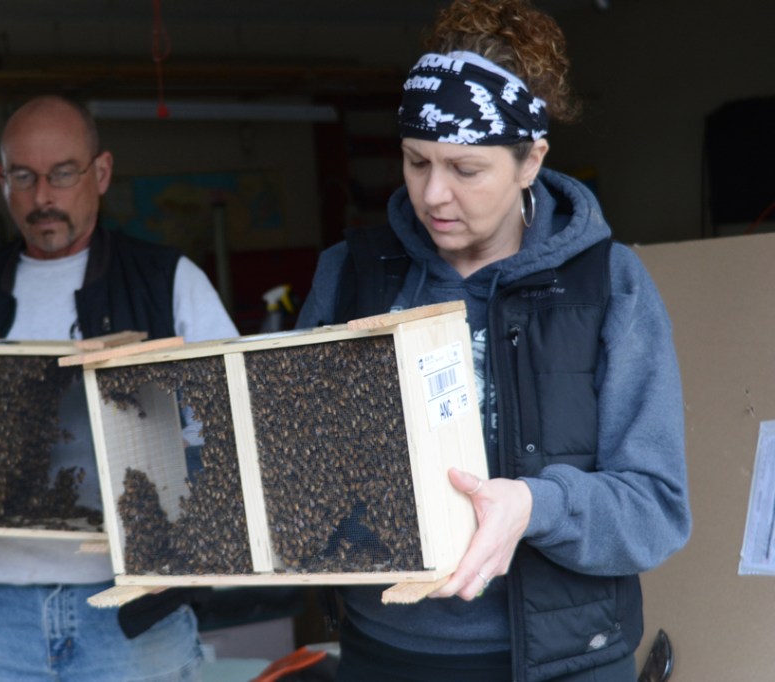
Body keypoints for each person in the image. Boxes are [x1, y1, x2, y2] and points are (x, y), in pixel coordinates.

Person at [295, 1, 691, 680]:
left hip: (564, 663)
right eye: (416, 161)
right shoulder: (351, 274)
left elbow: (655, 509)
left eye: (465, 169)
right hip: (384, 653)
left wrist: (536, 505)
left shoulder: (610, 285)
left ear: (530, 160)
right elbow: (294, 465)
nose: (433, 194)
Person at [0, 94, 237, 681]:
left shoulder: (167, 280)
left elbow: (233, 427)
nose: (43, 196)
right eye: (24, 177)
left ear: (102, 172)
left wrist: (184, 536)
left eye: (63, 174)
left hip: (134, 612)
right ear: (1, 179)